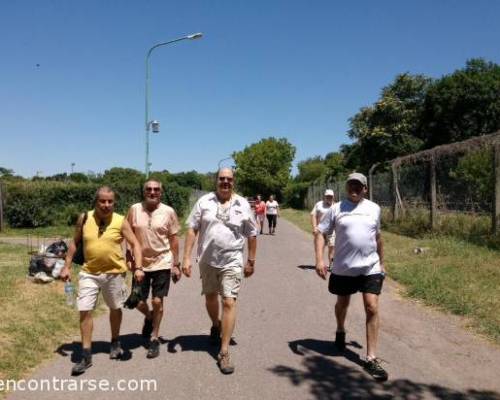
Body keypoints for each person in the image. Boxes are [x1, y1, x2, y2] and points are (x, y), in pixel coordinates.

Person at [182, 168, 257, 375]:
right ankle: (215, 325)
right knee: (210, 298)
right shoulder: (204, 202)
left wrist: (250, 260)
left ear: (234, 182)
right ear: (216, 181)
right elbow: (192, 228)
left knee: (229, 301)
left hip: (232, 260)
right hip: (207, 260)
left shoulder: (242, 203)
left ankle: (224, 352)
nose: (225, 182)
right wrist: (186, 257)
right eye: (222, 179)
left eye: (229, 179)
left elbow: (252, 233)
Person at [60, 186, 143, 376]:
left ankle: (115, 341)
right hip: (89, 272)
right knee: (84, 309)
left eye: (110, 201)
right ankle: (86, 354)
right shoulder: (85, 218)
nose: (106, 205)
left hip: (114, 274)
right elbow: (74, 243)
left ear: (114, 202)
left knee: (115, 308)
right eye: (102, 201)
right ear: (96, 202)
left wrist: (138, 267)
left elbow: (135, 244)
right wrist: (67, 266)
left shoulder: (121, 221)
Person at [314, 173, 388, 381]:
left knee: (372, 306)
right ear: (346, 188)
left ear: (365, 188)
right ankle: (340, 329)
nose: (354, 188)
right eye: (350, 185)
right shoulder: (337, 209)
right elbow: (320, 232)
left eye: (358, 185)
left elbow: (378, 237)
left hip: (370, 267)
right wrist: (320, 259)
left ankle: (371, 358)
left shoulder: (374, 208)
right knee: (342, 303)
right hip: (344, 268)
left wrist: (382, 263)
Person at [126, 179, 181, 359]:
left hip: (162, 262)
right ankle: (149, 317)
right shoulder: (134, 209)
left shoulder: (168, 212)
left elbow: (174, 239)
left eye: (156, 189)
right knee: (136, 301)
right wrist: (128, 257)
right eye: (149, 189)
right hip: (140, 263)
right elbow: (127, 235)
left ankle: (154, 338)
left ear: (161, 192)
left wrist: (176, 264)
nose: (152, 192)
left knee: (158, 301)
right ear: (144, 192)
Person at [310, 189, 336, 266]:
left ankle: (331, 265)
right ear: (324, 196)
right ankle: (319, 263)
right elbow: (313, 215)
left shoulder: (336, 206)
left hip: (331, 231)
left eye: (331, 196)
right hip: (320, 231)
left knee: (332, 247)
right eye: (327, 196)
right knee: (320, 248)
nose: (329, 198)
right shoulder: (319, 204)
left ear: (333, 197)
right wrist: (314, 227)